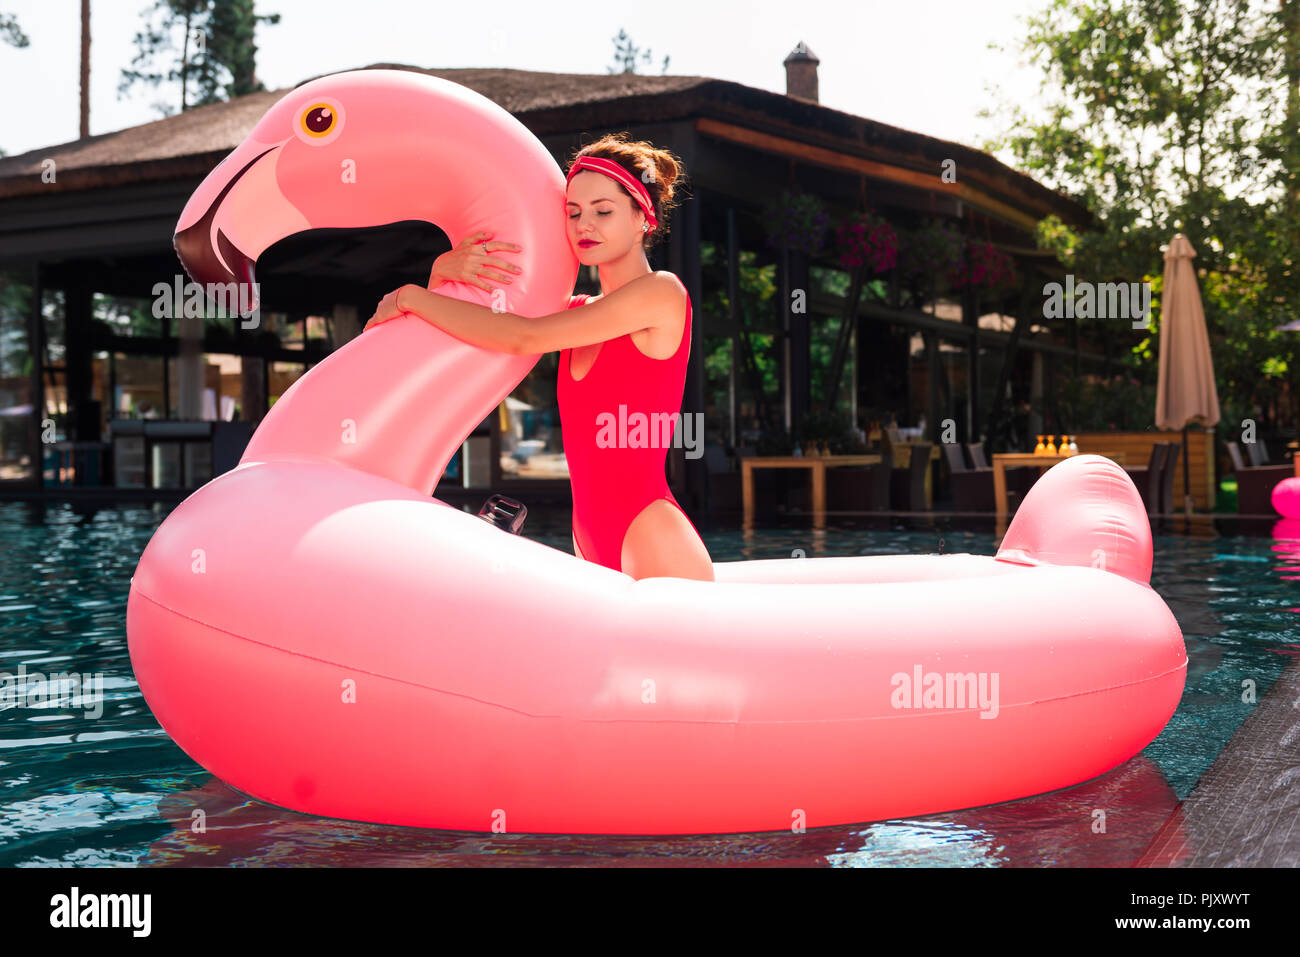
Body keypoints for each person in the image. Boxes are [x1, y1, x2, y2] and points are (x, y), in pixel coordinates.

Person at [364, 133, 714, 581]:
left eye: (603, 211)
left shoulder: (662, 294)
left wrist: (410, 296)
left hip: (650, 533)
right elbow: (481, 336)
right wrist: (440, 274)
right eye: (573, 213)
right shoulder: (574, 312)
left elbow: (521, 336)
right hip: (586, 534)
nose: (585, 224)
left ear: (642, 218)